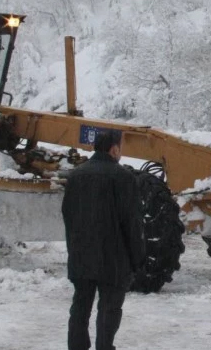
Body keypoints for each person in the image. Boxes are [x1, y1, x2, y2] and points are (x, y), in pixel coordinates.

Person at [61, 130, 145, 350]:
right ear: (114, 149)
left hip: (81, 255)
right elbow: (132, 222)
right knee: (109, 309)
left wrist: (74, 249)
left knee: (80, 306)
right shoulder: (123, 177)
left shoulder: (75, 176)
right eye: (120, 148)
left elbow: (67, 215)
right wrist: (137, 258)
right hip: (114, 259)